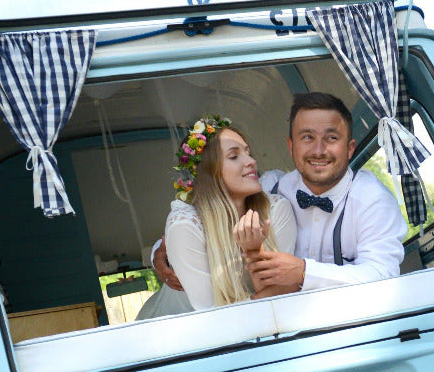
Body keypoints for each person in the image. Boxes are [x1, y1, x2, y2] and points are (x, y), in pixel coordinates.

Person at [152, 93, 406, 298]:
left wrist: (305, 273)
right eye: (307, 137)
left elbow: (383, 275)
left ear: (350, 148)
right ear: (290, 146)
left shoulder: (373, 200)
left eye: (331, 138)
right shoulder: (271, 188)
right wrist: (160, 255)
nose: (319, 150)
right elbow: (213, 210)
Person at [156, 116, 297, 311]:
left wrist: (254, 252)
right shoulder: (186, 226)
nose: (252, 161)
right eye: (234, 156)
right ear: (208, 173)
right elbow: (211, 314)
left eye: (248, 153)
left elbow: (281, 302)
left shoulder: (277, 209)